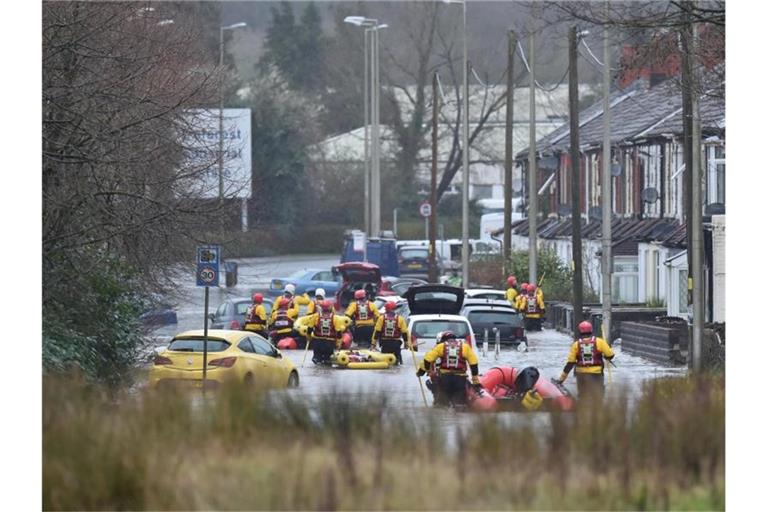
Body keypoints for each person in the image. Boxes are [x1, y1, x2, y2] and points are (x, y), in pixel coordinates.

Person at [555, 320, 615, 403]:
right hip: (597, 374)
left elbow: (570, 363)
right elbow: (610, 355)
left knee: (582, 397)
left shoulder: (576, 345)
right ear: (591, 330)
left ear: (580, 331)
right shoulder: (600, 342)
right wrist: (606, 355)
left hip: (581, 375)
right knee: (598, 398)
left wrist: (561, 379)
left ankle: (582, 413)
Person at [416, 331, 481, 407]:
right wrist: (475, 381)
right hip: (460, 379)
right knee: (460, 405)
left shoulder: (438, 348)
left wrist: (421, 372)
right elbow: (474, 363)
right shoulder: (465, 347)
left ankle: (439, 403)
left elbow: (426, 360)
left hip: (444, 379)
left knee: (442, 405)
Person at [295, 300, 351, 365]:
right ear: (330, 308)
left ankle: (318, 366)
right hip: (329, 343)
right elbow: (339, 332)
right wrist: (338, 343)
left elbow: (309, 329)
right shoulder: (335, 318)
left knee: (317, 358)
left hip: (317, 342)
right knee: (327, 360)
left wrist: (308, 337)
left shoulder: (316, 316)